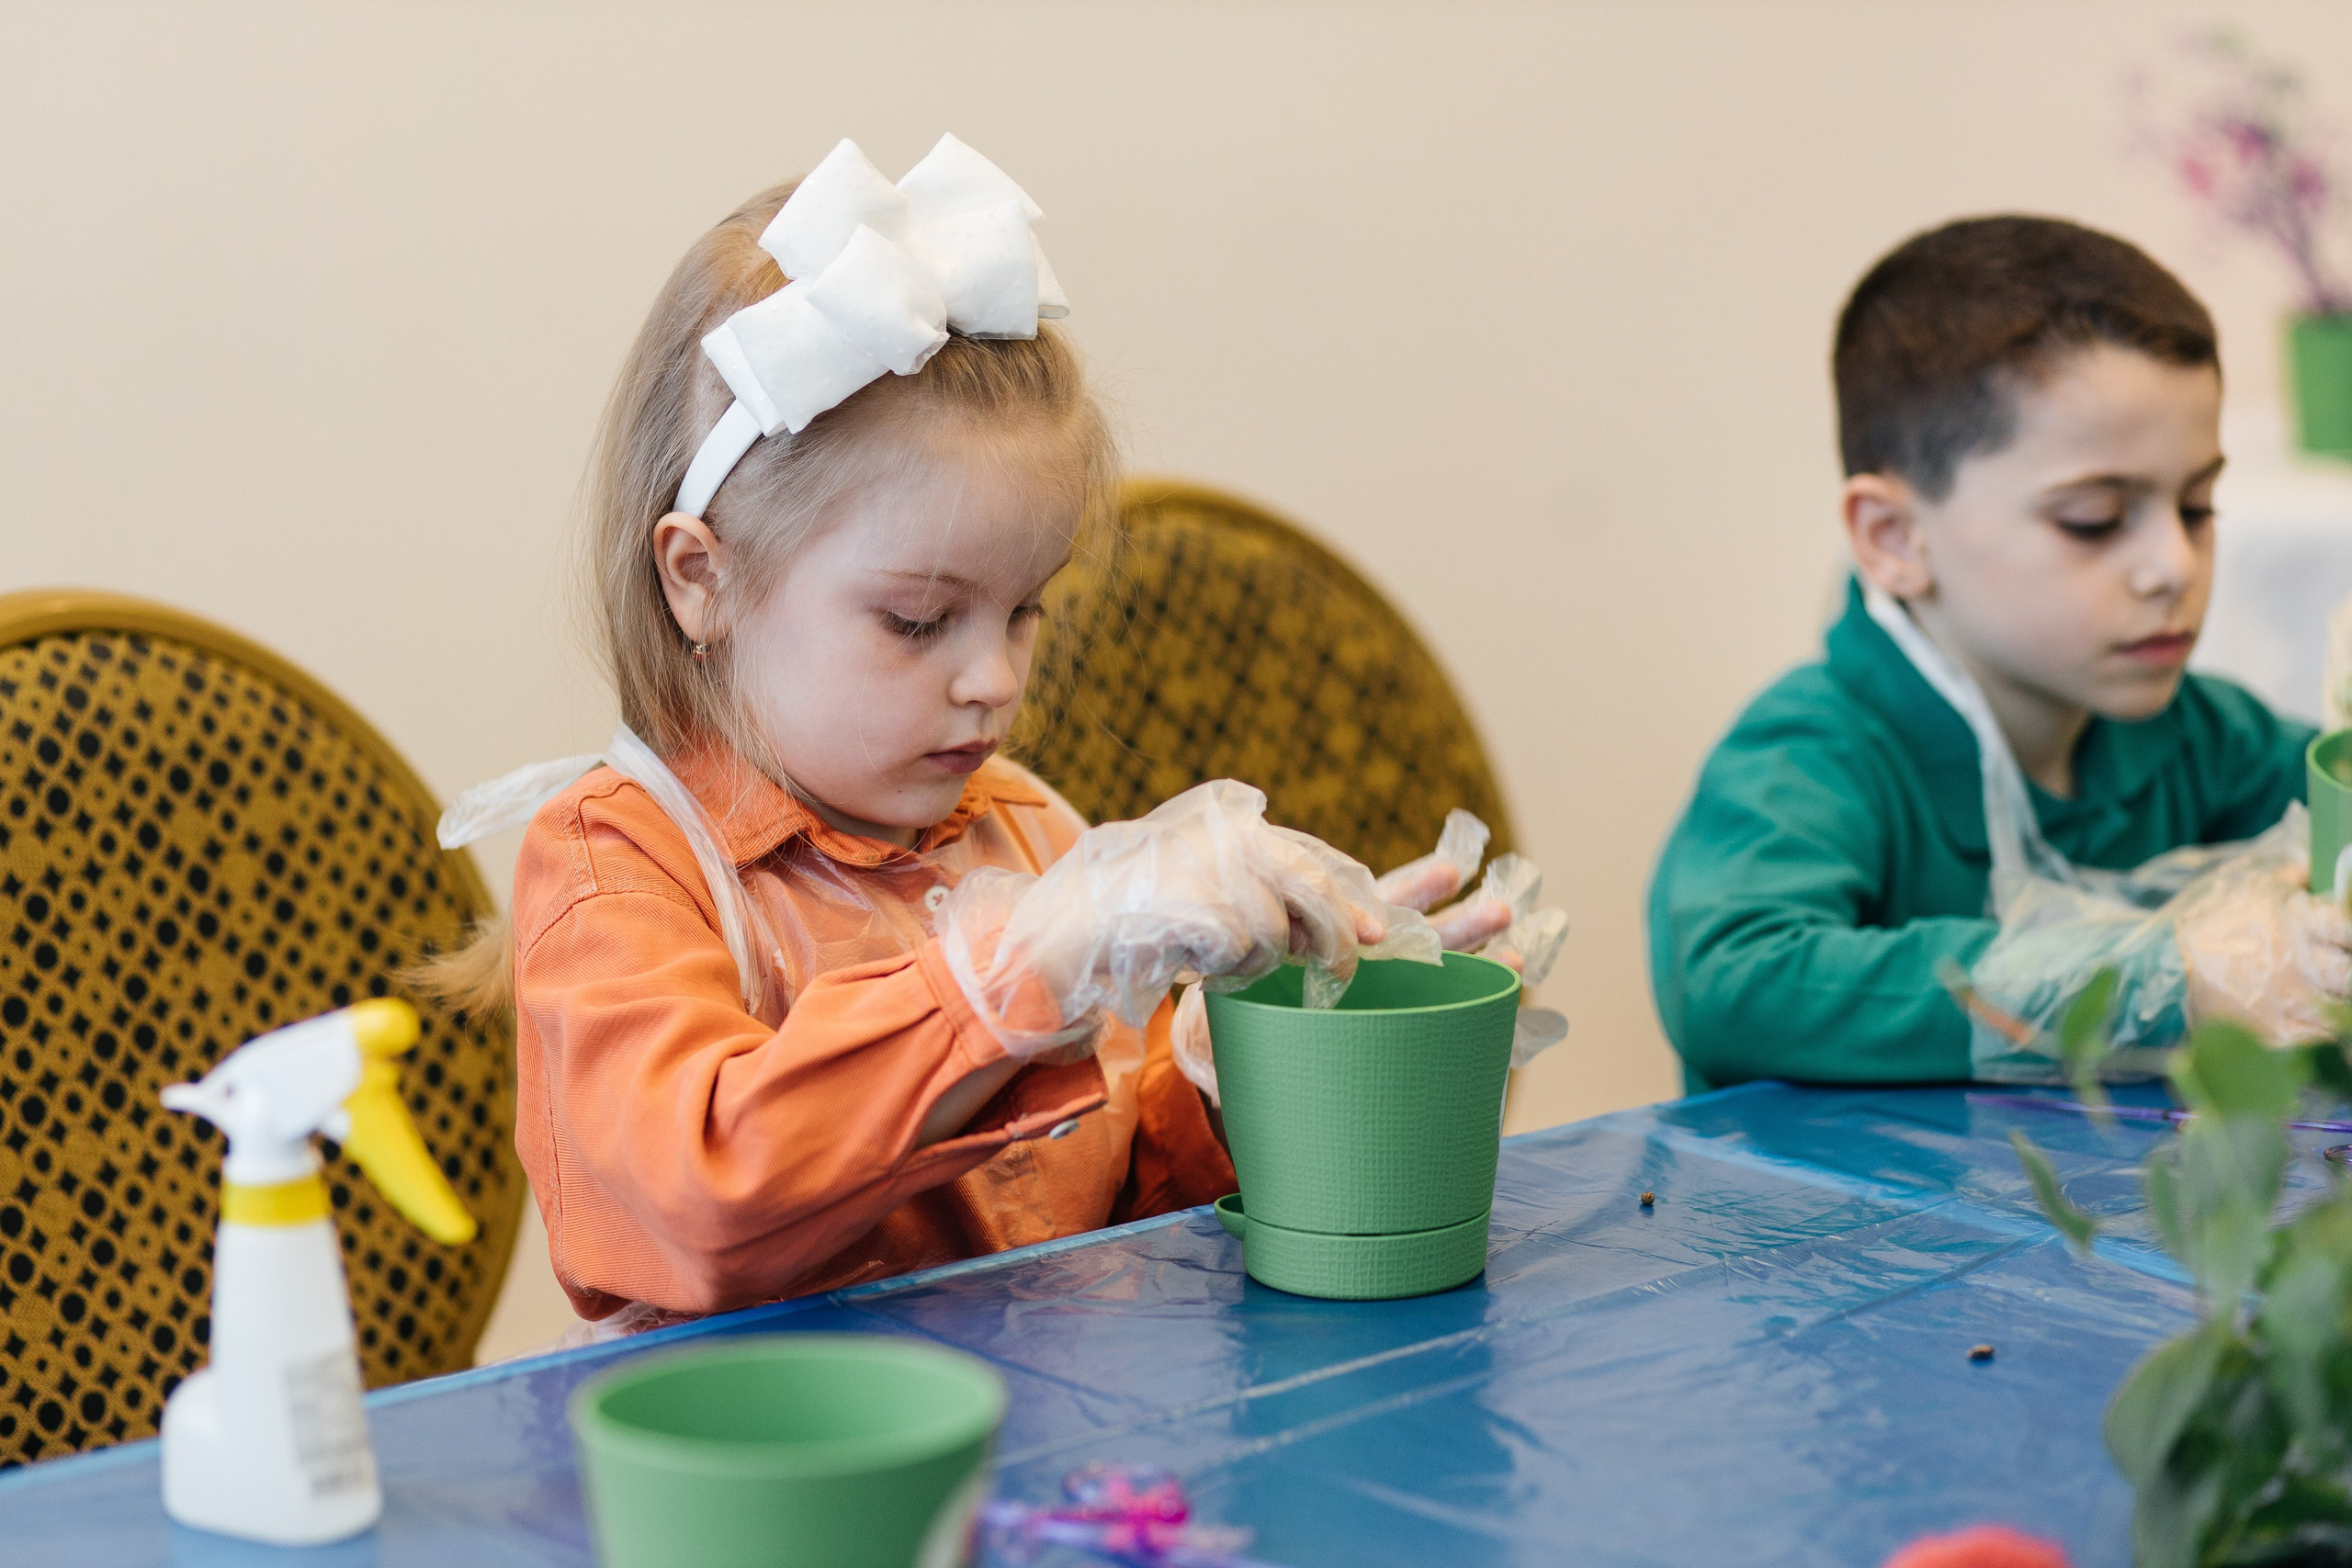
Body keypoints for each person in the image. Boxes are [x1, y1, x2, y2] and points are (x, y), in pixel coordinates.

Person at [427, 138, 1516, 1327]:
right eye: (918, 620)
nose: (994, 680)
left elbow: (1111, 1217)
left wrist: (1234, 1073)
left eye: (1025, 610)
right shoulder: (619, 865)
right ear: (704, 580)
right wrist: (1015, 975)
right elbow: (695, 1202)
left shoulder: (1028, 829)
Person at [1647, 214, 2352, 1093]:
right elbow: (1731, 980)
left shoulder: (2201, 737)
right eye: (2094, 519)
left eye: (2197, 508)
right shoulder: (1813, 754)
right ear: (1894, 537)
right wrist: (2165, 977)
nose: (2174, 565)